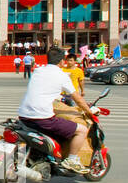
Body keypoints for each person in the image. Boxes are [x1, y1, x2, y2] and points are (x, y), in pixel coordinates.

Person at [16, 45, 92, 174]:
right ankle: (72, 160)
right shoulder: (62, 76)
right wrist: (89, 111)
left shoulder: (38, 71)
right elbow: (78, 99)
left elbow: (46, 90)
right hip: (42, 119)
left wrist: (62, 99)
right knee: (82, 130)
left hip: (23, 116)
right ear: (62, 61)